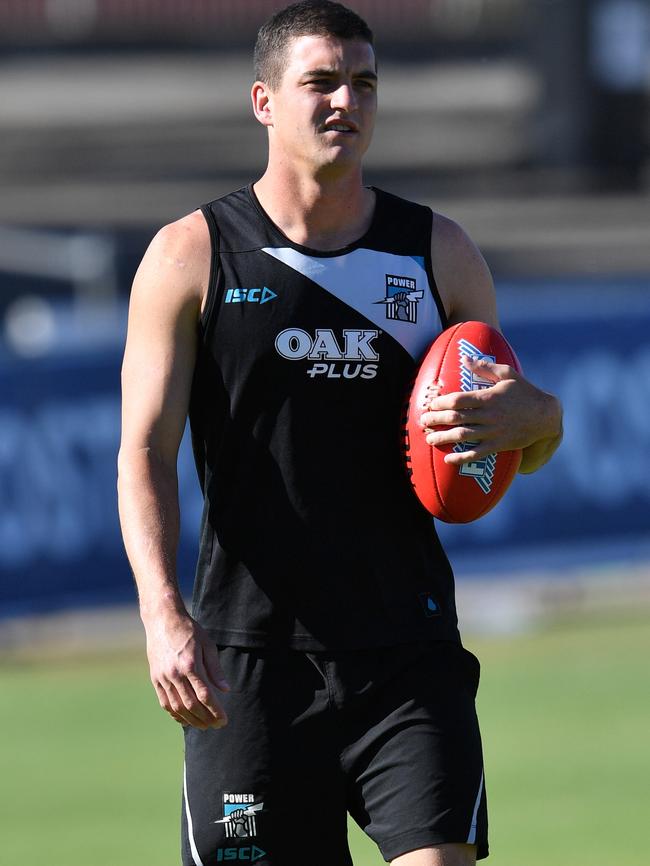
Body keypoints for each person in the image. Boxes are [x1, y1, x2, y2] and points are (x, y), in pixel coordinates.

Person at [117, 3, 563, 865]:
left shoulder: (438, 252)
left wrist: (536, 418)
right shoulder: (192, 255)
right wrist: (160, 612)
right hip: (246, 663)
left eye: (362, 83)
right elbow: (144, 451)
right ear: (264, 101)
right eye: (319, 81)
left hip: (408, 651)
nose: (343, 102)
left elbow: (520, 429)